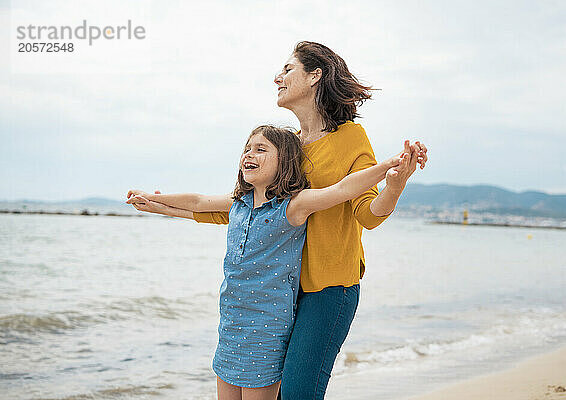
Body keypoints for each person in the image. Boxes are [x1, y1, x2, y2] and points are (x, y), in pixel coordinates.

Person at [194, 41, 428, 399]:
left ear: (315, 75)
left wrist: (394, 185)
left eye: (288, 70)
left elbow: (368, 213)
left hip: (329, 290)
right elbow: (251, 209)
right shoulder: (286, 145)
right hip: (280, 295)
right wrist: (165, 205)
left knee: (298, 394)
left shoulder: (351, 137)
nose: (278, 77)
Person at [126, 125, 417, 400]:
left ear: (284, 162)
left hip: (266, 331)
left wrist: (389, 167)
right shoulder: (239, 203)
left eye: (261, 149)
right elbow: (199, 202)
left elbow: (342, 189)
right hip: (230, 325)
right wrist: (152, 202)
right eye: (247, 148)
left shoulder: (292, 206)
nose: (249, 154)